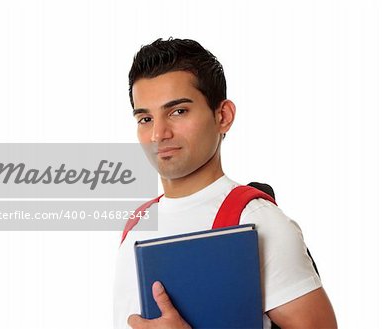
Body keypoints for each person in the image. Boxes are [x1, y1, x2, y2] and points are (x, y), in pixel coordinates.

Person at [114, 38, 337, 329]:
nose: (159, 133)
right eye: (145, 118)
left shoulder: (257, 221)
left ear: (223, 116)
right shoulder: (139, 223)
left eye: (178, 111)